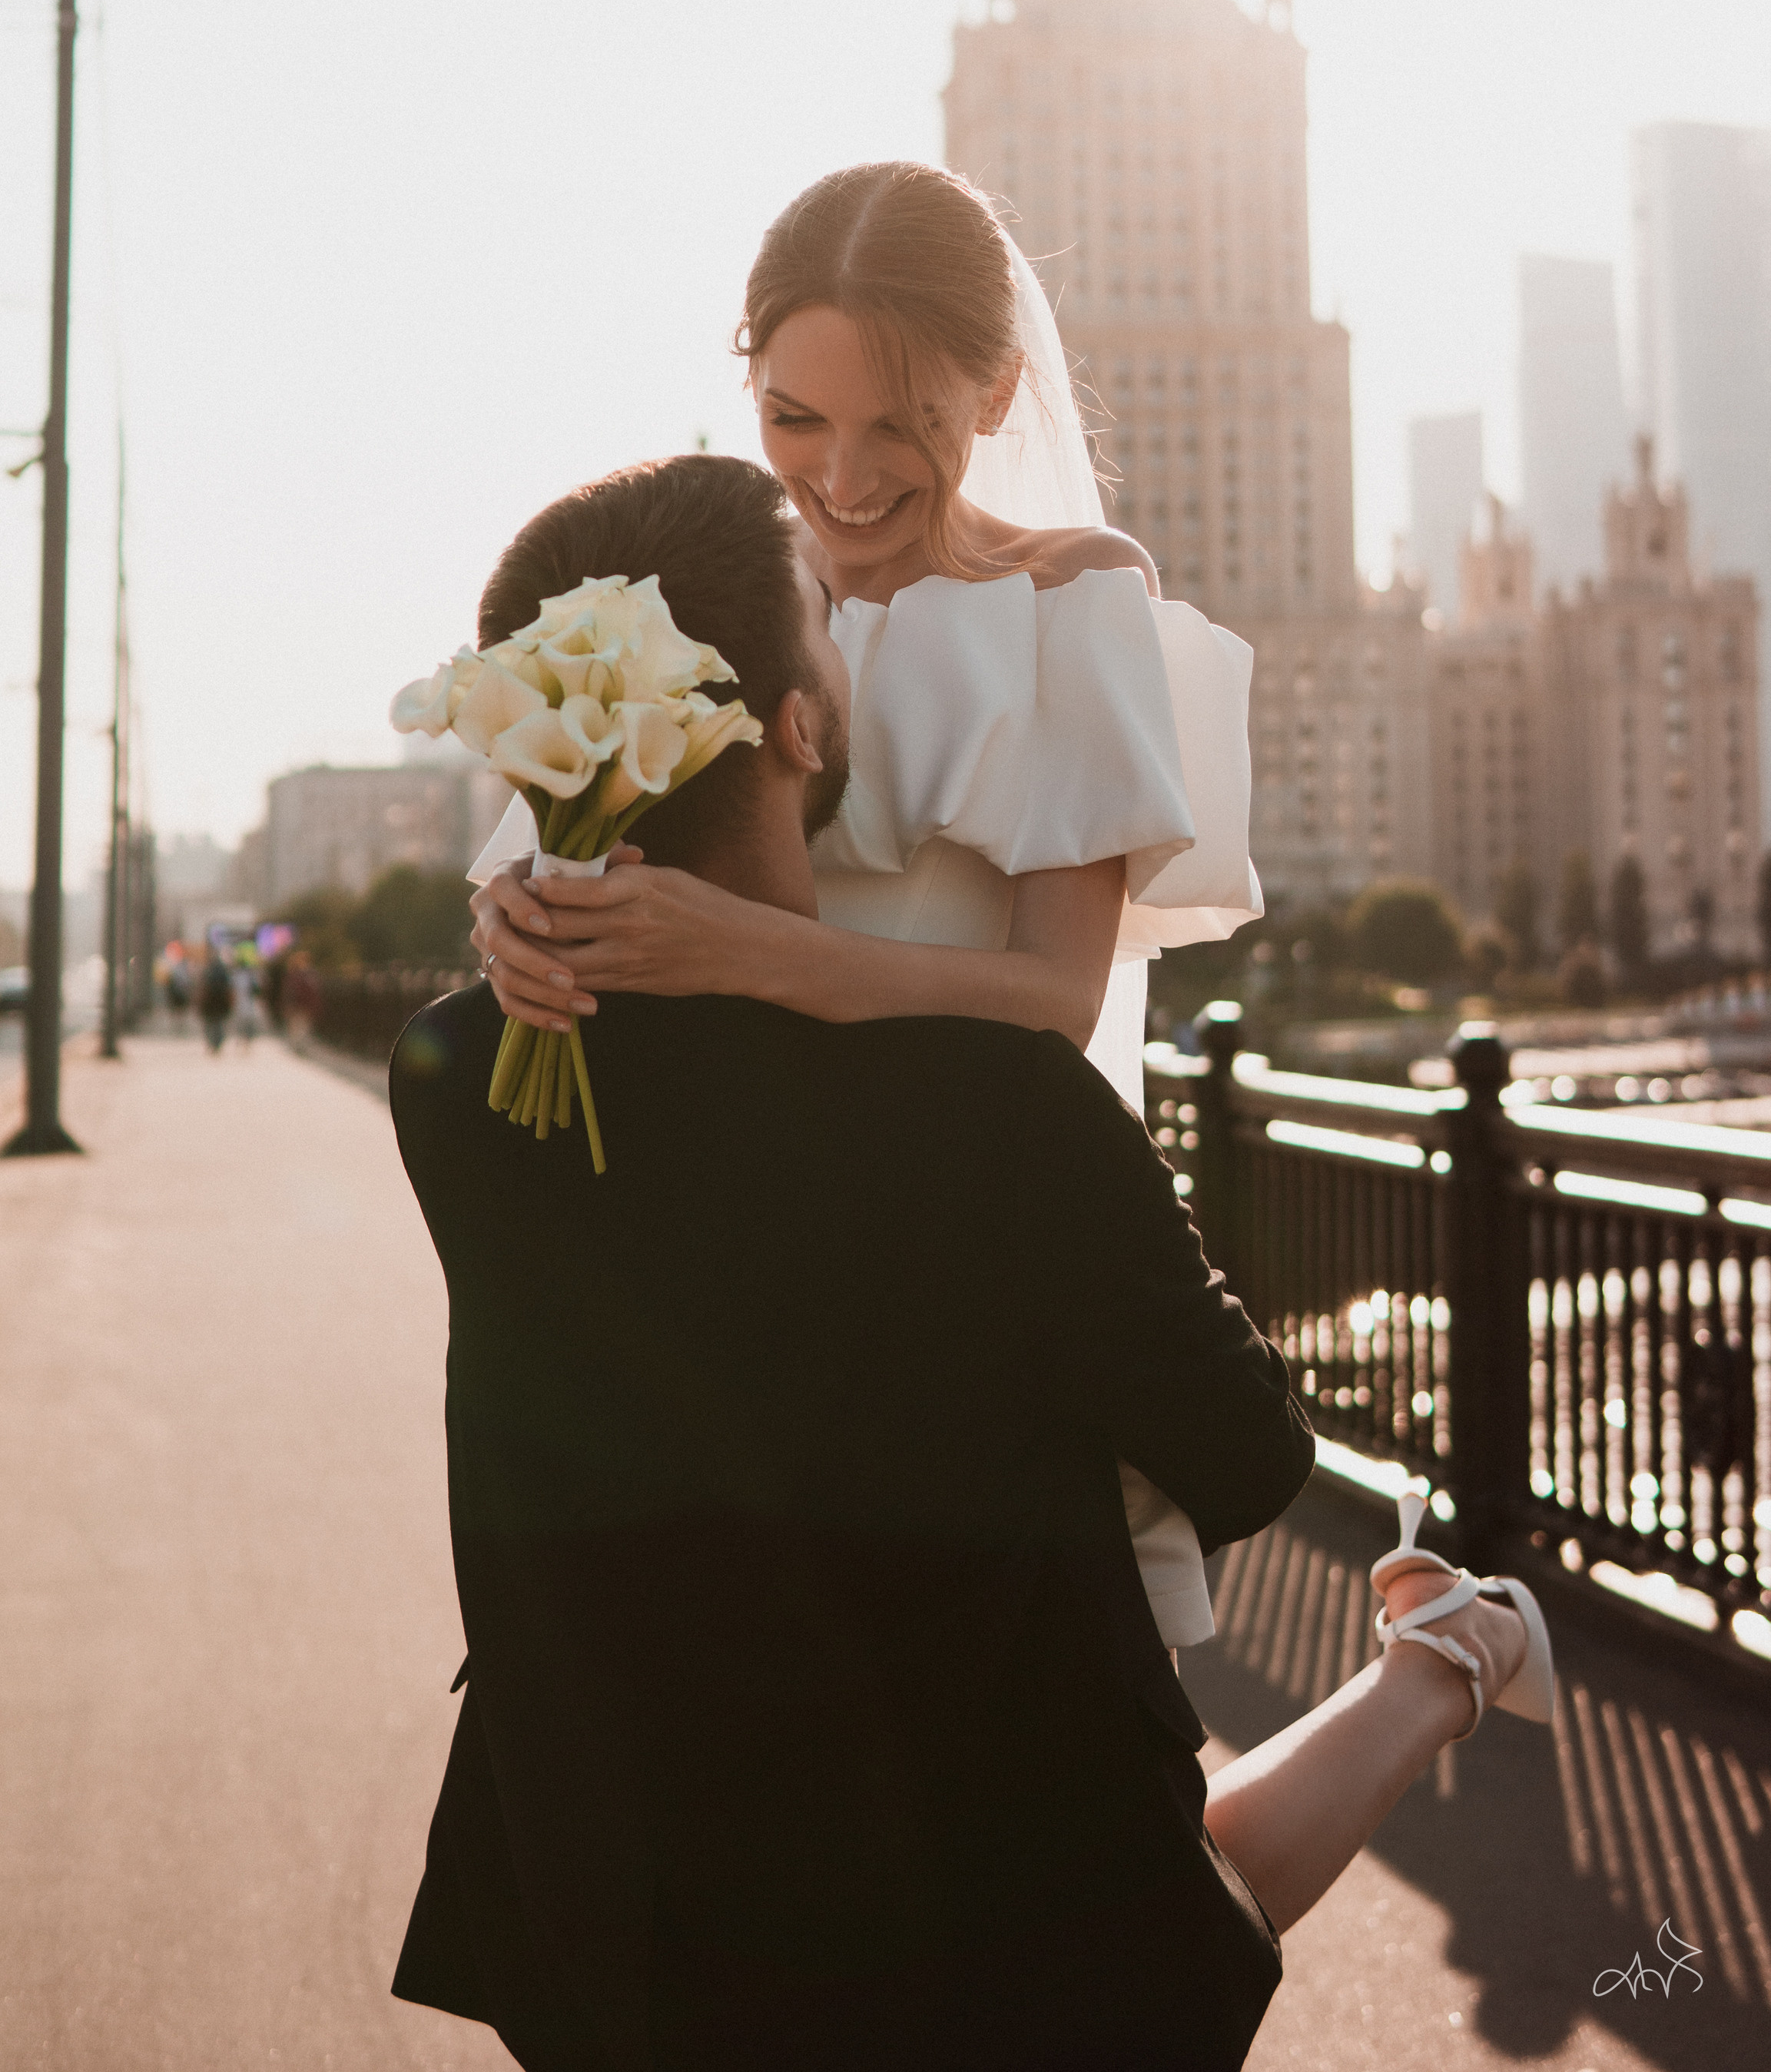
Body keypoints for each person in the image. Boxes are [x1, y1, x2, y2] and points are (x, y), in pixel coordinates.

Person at [391, 452, 1315, 2071]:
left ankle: (1456, 1654)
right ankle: (1455, 1656)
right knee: (1179, 1880)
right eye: (824, 616)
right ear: (802, 727)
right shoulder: (998, 1108)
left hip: (615, 1921)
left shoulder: (459, 1075)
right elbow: (1248, 1451)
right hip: (981, 1936)